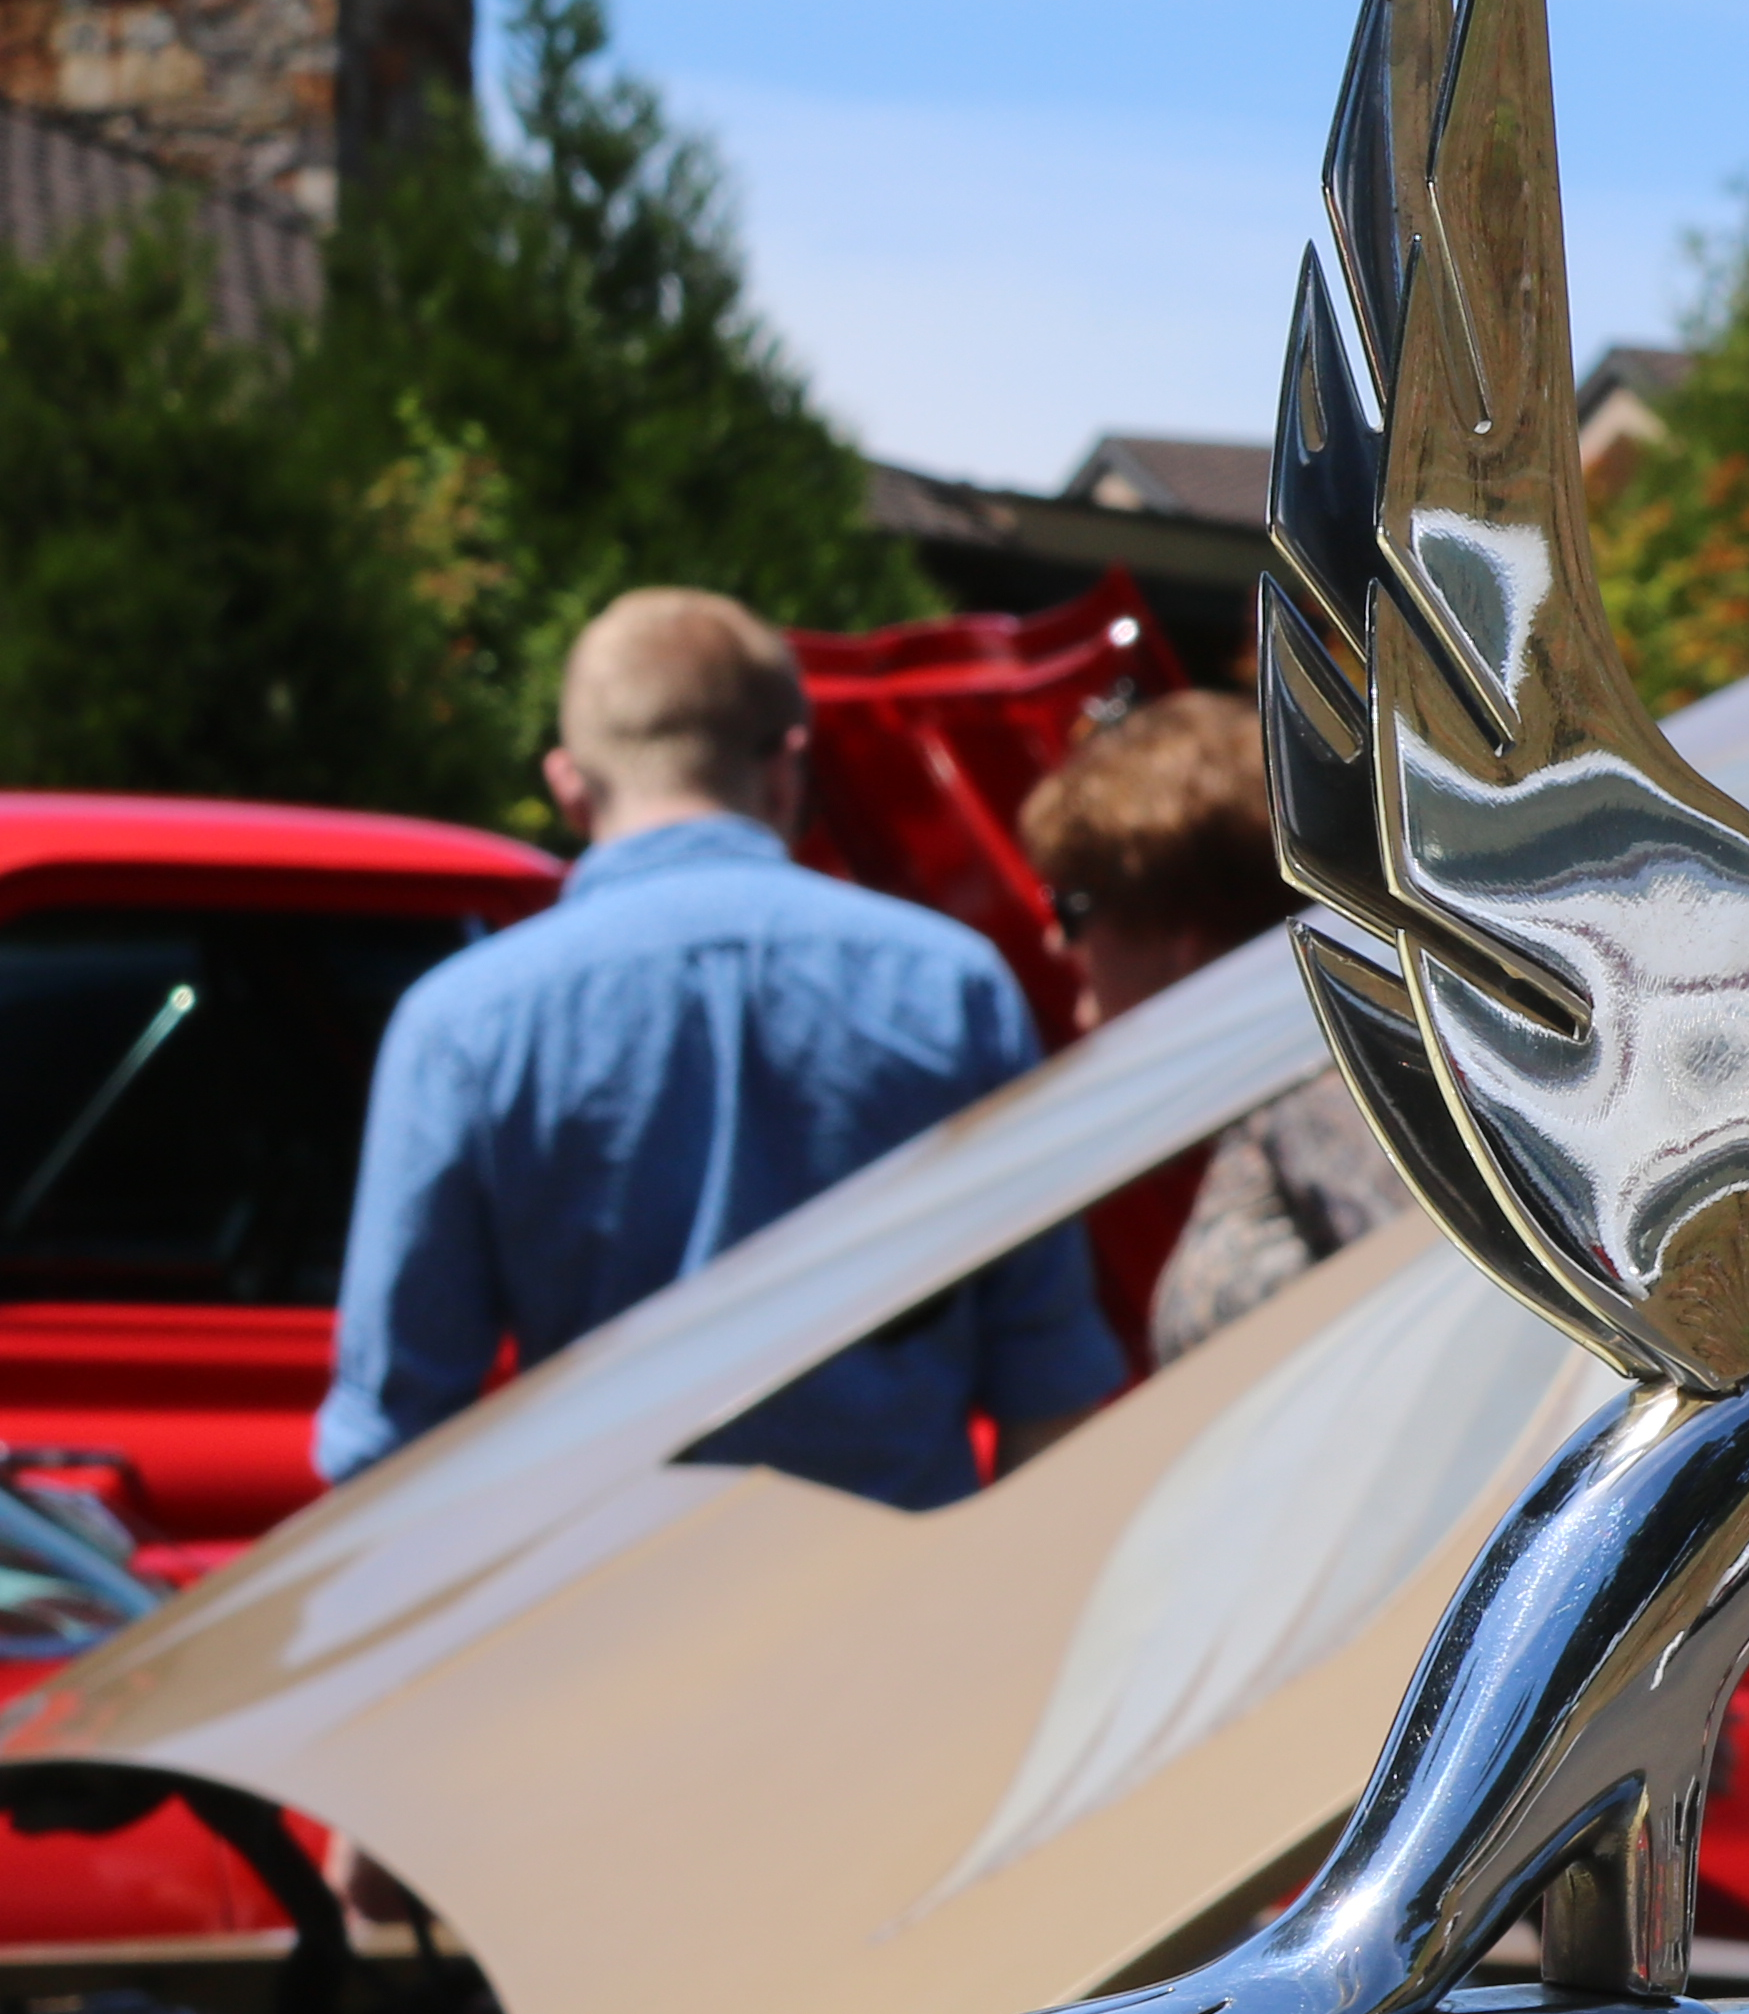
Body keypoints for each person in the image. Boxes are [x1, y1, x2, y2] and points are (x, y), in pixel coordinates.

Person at [316, 588, 1122, 1511]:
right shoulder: (953, 985)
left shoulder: (460, 1025)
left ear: (569, 787)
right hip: (894, 1616)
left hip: (606, 1620)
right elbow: (1048, 1387)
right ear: (788, 769)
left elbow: (390, 1443)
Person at [1013, 690, 1415, 1368]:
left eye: (1074, 906)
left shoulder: (1318, 1080)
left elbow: (1443, 1292)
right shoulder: (1296, 1071)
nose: (1055, 941)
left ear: (1175, 926)